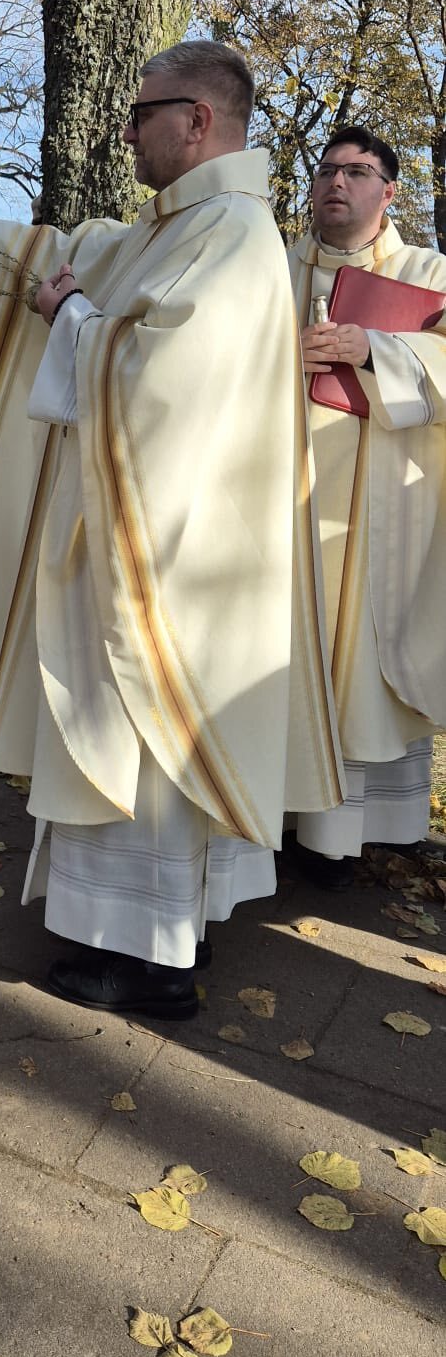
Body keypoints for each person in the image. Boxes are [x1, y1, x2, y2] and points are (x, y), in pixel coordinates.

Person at [0, 40, 343, 1019]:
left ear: (199, 120)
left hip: (169, 558)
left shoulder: (231, 235)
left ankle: (146, 959)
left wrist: (73, 318)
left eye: (143, 113)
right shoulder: (176, 228)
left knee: (144, 740)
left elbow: (158, 385)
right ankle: (163, 939)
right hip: (142, 539)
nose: (127, 132)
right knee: (139, 742)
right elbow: (56, 255)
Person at [289, 125, 446, 886]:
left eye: (355, 171)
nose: (335, 182)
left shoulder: (427, 273)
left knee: (356, 660)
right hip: (280, 501)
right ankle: (279, 816)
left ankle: (342, 836)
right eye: (325, 170)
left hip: (380, 509)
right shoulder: (274, 269)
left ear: (390, 191)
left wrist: (376, 350)